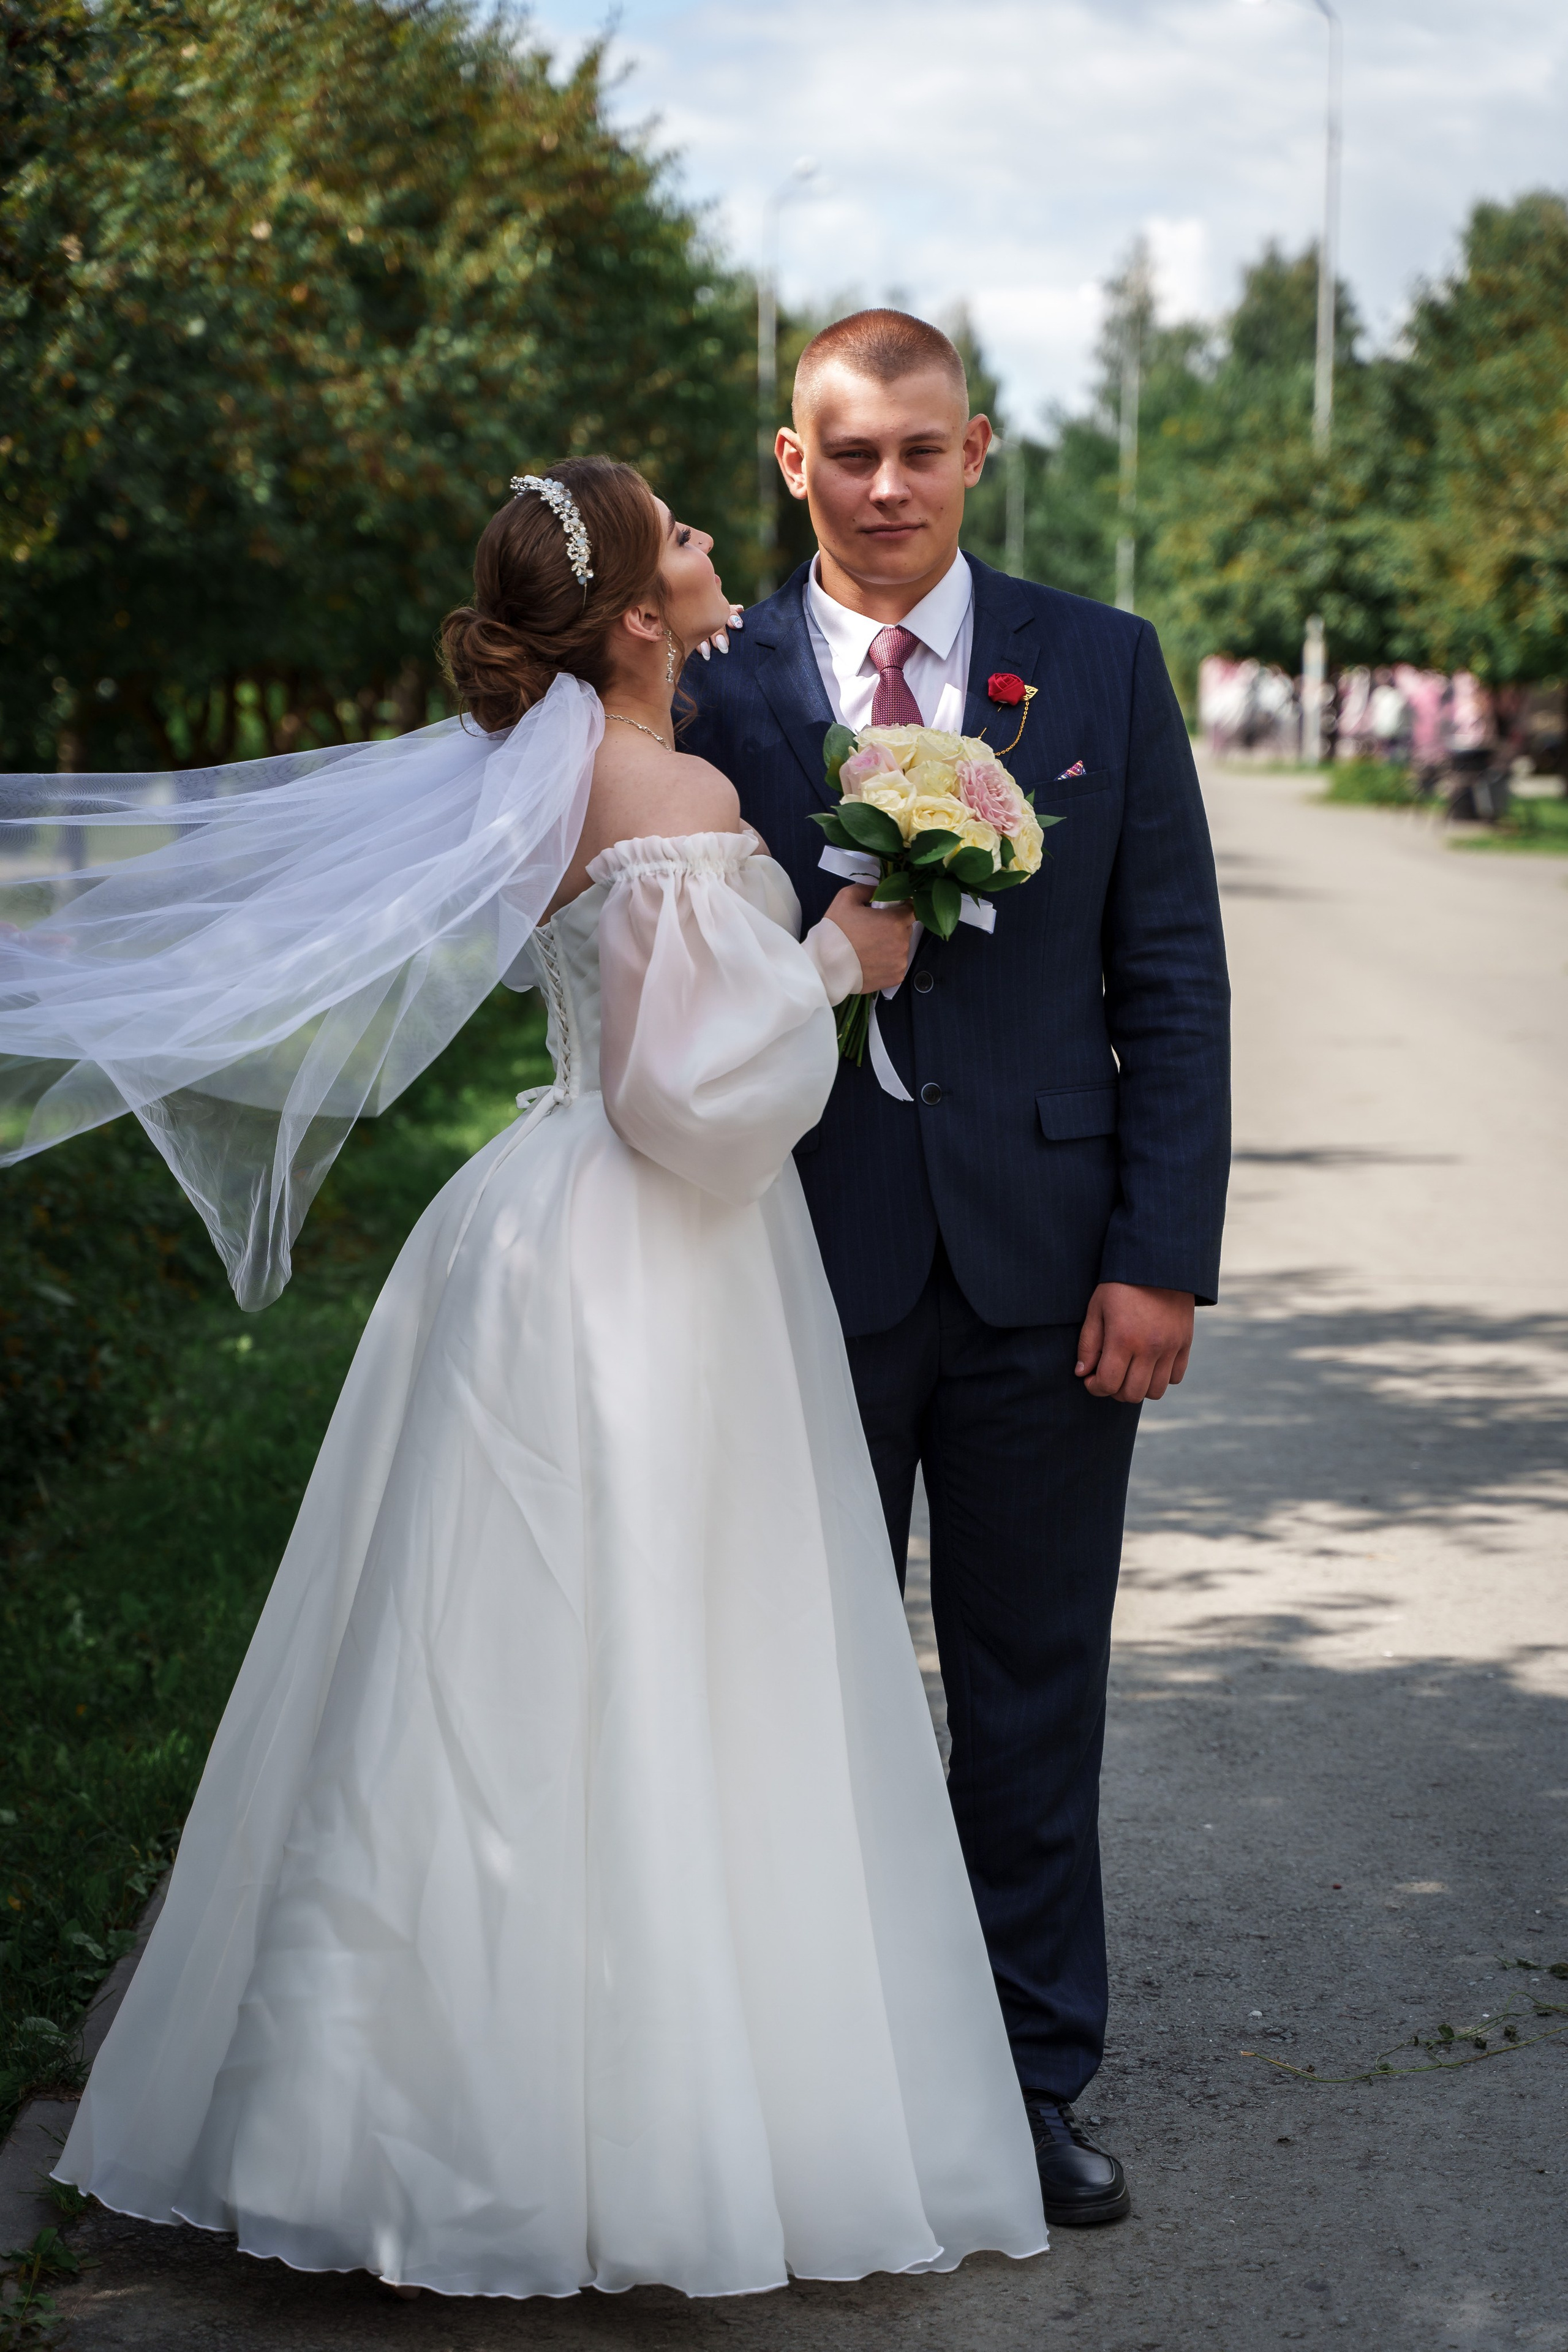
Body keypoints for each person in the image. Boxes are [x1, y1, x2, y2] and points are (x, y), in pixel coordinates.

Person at [2, 459, 1047, 2297]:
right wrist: (838, 958)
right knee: (668, 1641)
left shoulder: (547, 779)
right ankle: (657, 2141)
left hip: (531, 1224)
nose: (714, 550)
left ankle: (405, 2120)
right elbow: (685, 1098)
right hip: (652, 1248)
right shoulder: (675, 793)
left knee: (492, 1650)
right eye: (685, 539)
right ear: (639, 615)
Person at [682, 312, 1231, 2228]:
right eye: (850, 454)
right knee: (786, 1686)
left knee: (1028, 1693)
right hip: (778, 1263)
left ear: (978, 450)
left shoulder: (1102, 661)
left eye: (922, 450)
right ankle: (815, 2082)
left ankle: (1025, 2083)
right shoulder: (713, 684)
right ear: (792, 462)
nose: (887, 487)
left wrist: (1160, 1255)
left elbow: (1170, 976)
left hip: (1050, 1276)